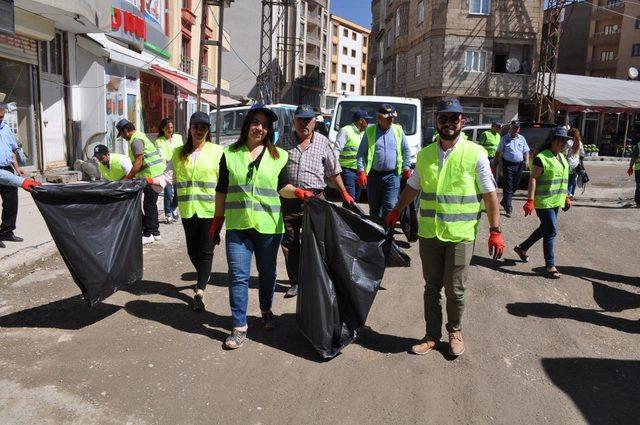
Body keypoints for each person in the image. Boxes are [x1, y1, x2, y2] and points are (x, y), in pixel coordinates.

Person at [384, 98, 504, 357]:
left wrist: (495, 231)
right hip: (430, 235)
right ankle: (431, 335)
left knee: (456, 289)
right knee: (431, 288)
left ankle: (455, 332)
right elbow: (413, 187)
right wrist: (397, 209)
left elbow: (490, 194)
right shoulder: (426, 154)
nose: (449, 123)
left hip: (461, 235)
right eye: (443, 118)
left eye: (454, 118)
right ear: (435, 120)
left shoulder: (476, 153)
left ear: (462, 121)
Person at [210, 103, 312, 349]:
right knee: (238, 276)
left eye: (265, 125)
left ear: (270, 130)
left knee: (268, 275)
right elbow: (222, 190)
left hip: (269, 227)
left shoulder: (279, 155)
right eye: (256, 123)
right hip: (238, 225)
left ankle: (266, 309)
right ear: (247, 125)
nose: (260, 128)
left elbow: (282, 188)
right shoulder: (229, 154)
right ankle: (239, 326)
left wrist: (298, 192)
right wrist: (217, 220)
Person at [278, 104, 353, 298]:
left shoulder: (323, 142)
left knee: (318, 242)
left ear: (314, 122)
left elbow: (333, 171)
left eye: (307, 119)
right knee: (290, 241)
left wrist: (344, 192)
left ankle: (318, 279)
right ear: (294, 121)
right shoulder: (283, 142)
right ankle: (296, 282)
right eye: (300, 119)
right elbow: (274, 170)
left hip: (316, 199)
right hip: (290, 198)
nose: (304, 123)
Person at [172, 112, 223, 312]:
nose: (199, 130)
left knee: (206, 250)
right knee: (192, 250)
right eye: (196, 126)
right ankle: (204, 274)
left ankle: (199, 291)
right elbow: (171, 177)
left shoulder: (218, 151)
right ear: (190, 128)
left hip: (210, 210)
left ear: (208, 130)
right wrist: (149, 182)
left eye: (203, 127)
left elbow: (224, 181)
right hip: (188, 210)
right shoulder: (178, 153)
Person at [514, 127, 572, 279]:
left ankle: (522, 248)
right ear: (552, 140)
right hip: (543, 201)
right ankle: (550, 265)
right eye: (560, 140)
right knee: (551, 231)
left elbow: (563, 179)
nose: (563, 143)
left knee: (545, 229)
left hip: (556, 201)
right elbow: (533, 179)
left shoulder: (561, 157)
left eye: (565, 140)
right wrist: (530, 200)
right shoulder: (542, 157)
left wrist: (566, 196)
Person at [356, 103, 412, 218]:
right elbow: (361, 153)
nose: (391, 120)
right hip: (374, 176)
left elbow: (406, 150)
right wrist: (361, 171)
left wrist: (406, 167)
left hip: (392, 176)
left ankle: (388, 234)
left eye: (392, 118)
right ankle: (376, 234)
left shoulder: (398, 130)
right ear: (379, 118)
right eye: (388, 118)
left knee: (390, 206)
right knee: (374, 208)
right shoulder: (370, 131)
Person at [116, 119, 166, 244]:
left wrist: (129, 177)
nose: (122, 137)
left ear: (126, 131)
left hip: (151, 175)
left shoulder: (136, 140)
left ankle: (148, 233)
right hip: (154, 173)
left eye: (121, 134)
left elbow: (139, 162)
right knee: (151, 204)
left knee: (148, 205)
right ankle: (155, 232)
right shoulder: (139, 136)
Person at [0, 103, 34, 247]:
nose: (0, 119)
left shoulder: (6, 128)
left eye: (2, 116)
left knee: (11, 203)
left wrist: (17, 167)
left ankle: (6, 232)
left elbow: (12, 149)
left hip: (7, 169)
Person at [492, 120, 530, 217]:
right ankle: (508, 208)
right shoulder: (505, 139)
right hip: (508, 165)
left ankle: (505, 201)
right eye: (513, 128)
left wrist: (527, 161)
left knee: (515, 185)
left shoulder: (522, 138)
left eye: (517, 128)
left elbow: (526, 151)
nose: (515, 130)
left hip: (519, 165)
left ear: (519, 129)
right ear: (510, 128)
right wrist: (495, 164)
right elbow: (498, 152)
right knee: (508, 186)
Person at [334, 109, 372, 204]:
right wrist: (334, 168)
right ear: (361, 121)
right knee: (351, 198)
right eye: (367, 121)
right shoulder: (345, 130)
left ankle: (348, 217)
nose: (368, 123)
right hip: (348, 171)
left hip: (360, 171)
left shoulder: (363, 133)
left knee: (355, 200)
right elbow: (337, 150)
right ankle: (346, 218)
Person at [155, 118, 184, 223]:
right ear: (163, 129)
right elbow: (161, 155)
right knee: (168, 192)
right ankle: (168, 213)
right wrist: (165, 163)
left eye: (171, 127)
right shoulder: (159, 141)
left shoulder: (178, 137)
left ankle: (173, 208)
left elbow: (183, 151)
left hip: (179, 168)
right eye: (168, 128)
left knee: (178, 193)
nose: (170, 130)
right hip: (166, 169)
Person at [565, 127, 584, 198]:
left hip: (569, 163)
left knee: (569, 179)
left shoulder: (568, 142)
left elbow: (565, 152)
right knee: (574, 179)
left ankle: (569, 194)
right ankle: (572, 193)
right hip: (576, 164)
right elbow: (582, 154)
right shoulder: (580, 143)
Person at [626, 136, 640, 207]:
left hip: (638, 169)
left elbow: (634, 157)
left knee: (639, 185)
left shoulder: (639, 145)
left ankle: (638, 202)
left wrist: (630, 167)